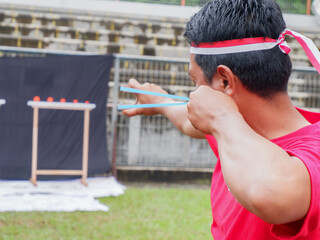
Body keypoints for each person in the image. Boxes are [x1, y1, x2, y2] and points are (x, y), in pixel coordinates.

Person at [121, 0, 320, 239]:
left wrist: (222, 117)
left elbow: (268, 193)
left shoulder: (234, 127)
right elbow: (189, 120)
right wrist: (161, 102)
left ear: (224, 81)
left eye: (196, 82)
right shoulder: (234, 128)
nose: (195, 94)